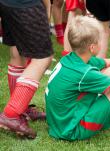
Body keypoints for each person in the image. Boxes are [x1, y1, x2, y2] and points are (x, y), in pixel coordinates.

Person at [0, 0, 53, 139]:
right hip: (27, 4)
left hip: (7, 3)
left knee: (17, 52)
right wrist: (47, 7)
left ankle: (20, 109)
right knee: (43, 58)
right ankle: (12, 114)